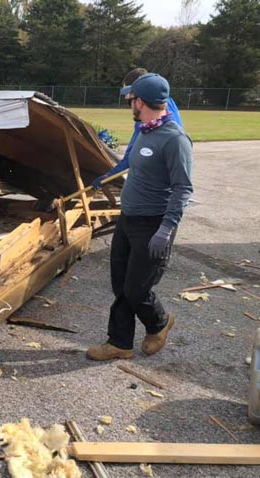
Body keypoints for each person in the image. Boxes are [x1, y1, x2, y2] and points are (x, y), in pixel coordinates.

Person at [87, 73, 193, 361]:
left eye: (130, 99)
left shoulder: (175, 140)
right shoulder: (145, 131)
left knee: (137, 289)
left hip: (153, 225)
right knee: (120, 285)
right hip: (128, 220)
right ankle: (119, 343)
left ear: (141, 101)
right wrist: (108, 176)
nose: (128, 104)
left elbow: (183, 188)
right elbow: (130, 165)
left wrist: (167, 228)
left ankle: (159, 323)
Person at [92, 68, 183, 188]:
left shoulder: (148, 119)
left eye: (130, 94)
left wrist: (108, 176)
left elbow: (132, 156)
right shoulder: (165, 102)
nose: (127, 99)